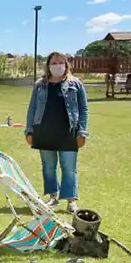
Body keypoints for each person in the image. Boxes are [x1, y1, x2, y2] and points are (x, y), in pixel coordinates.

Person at [25, 52, 89, 213]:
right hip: (44, 131)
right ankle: (52, 197)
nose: (57, 65)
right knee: (48, 167)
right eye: (53, 63)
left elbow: (83, 109)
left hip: (69, 132)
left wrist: (82, 132)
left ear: (66, 64)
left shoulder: (76, 84)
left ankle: (71, 201)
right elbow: (32, 109)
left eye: (60, 62)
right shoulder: (40, 84)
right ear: (48, 65)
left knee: (69, 167)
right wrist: (29, 130)